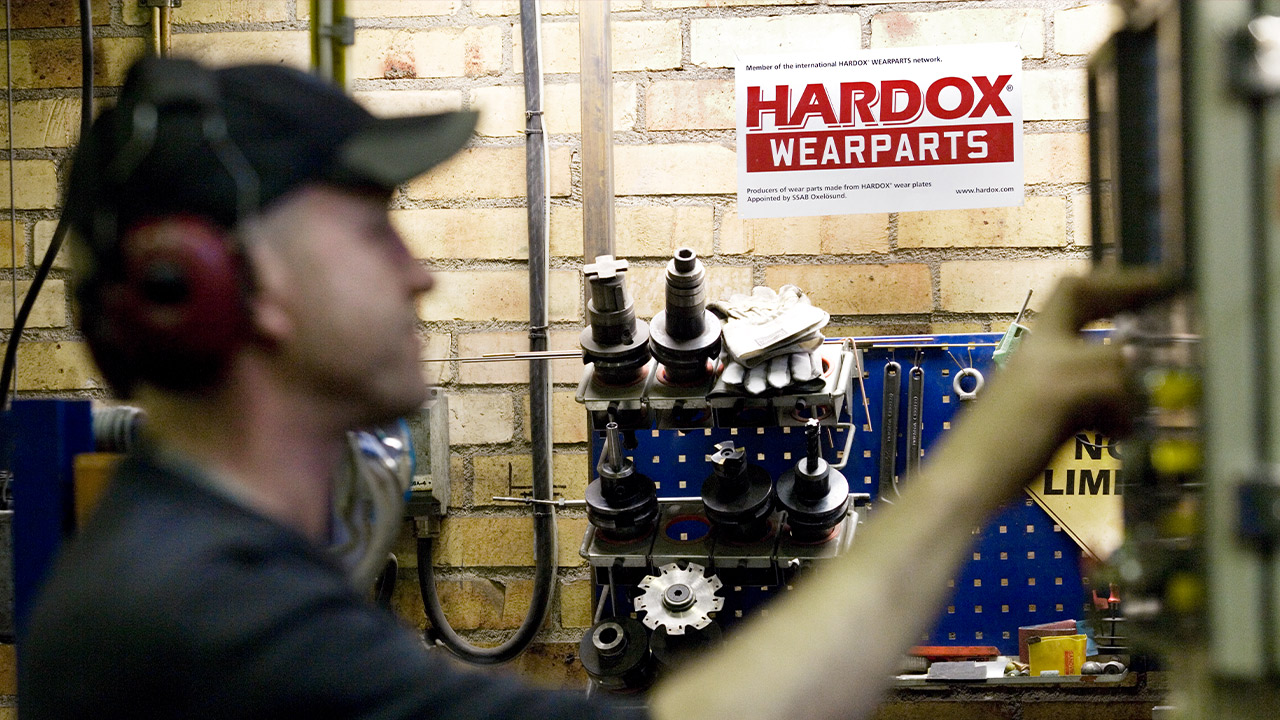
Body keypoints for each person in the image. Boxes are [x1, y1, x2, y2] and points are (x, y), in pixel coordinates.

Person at [17, 55, 1171, 720]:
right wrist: (978, 460)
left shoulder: (205, 572)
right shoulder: (197, 620)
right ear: (239, 283)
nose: (419, 270)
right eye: (371, 229)